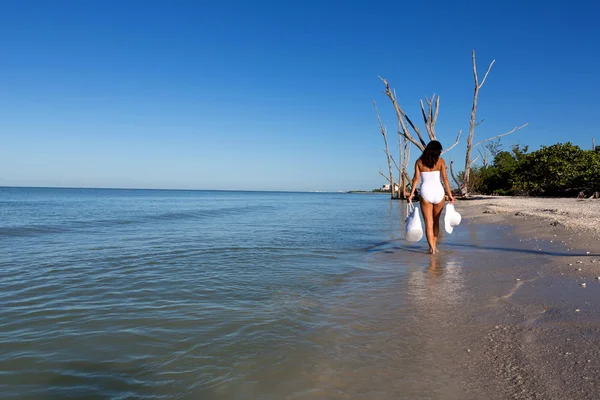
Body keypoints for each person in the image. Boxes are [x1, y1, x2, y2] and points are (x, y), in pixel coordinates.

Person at [407, 140, 454, 254]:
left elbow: (416, 179)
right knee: (436, 222)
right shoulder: (441, 162)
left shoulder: (419, 162)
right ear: (437, 151)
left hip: (425, 192)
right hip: (439, 192)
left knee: (428, 223)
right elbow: (445, 179)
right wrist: (450, 195)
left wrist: (411, 193)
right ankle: (434, 245)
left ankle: (431, 248)